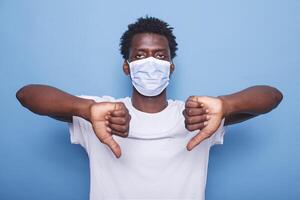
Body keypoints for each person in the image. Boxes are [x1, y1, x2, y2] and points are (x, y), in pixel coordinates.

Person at [16, 16, 283, 200]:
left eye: (161, 55)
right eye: (140, 55)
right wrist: (85, 108)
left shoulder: (198, 115)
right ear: (127, 66)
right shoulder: (102, 112)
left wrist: (226, 104)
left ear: (171, 67)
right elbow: (27, 95)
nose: (151, 62)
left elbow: (272, 97)